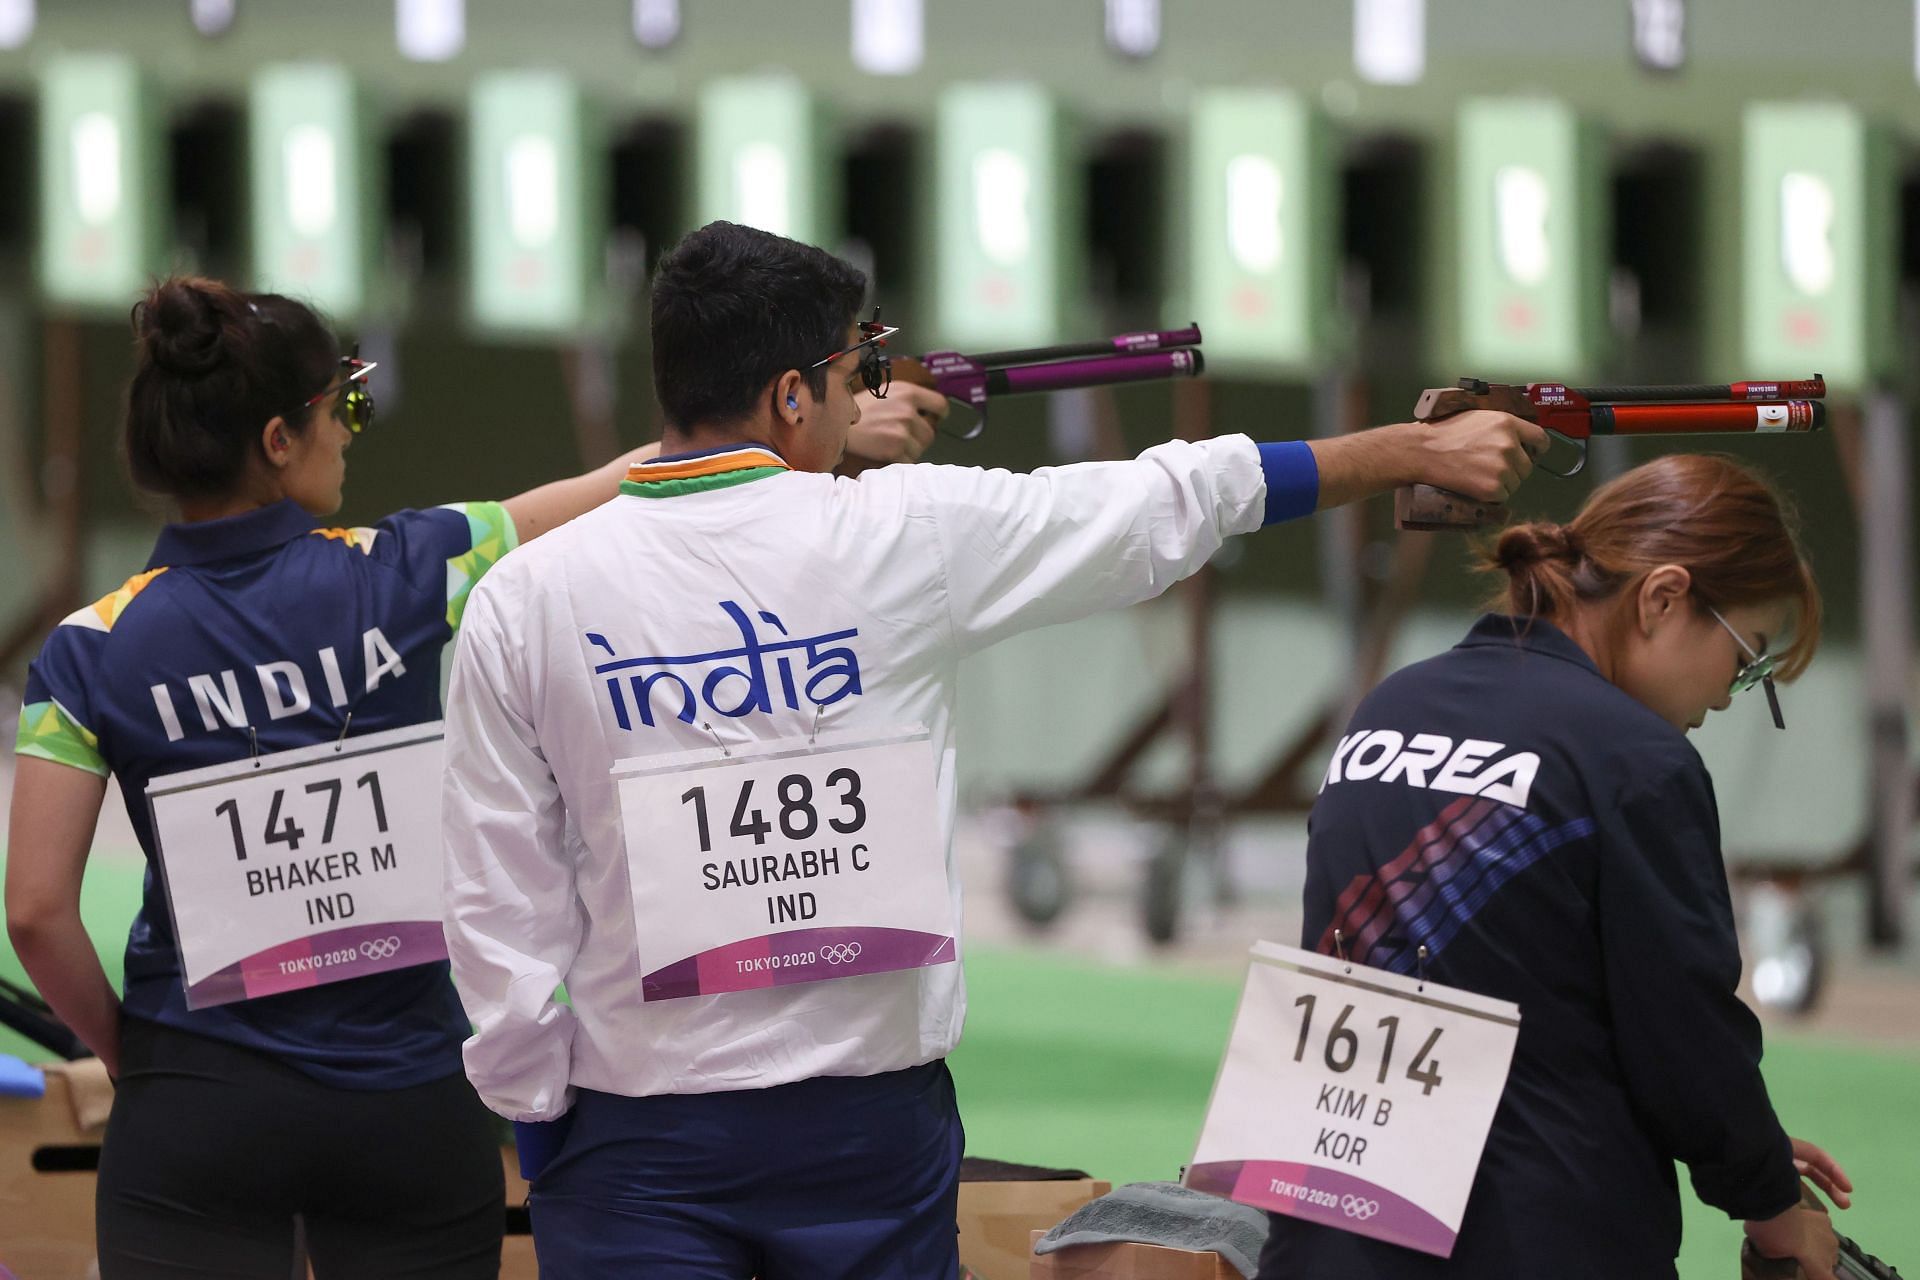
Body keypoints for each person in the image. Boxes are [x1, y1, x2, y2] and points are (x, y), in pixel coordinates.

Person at [438, 219, 1545, 1279]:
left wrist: (538, 1123)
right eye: (851, 368)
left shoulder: (526, 595)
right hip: (864, 1130)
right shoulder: (898, 532)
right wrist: (1410, 449)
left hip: (634, 1139)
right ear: (790, 395)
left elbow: (501, 897)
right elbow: (1169, 500)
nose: (865, 391)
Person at [1, 273, 949, 1278]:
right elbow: (644, 479)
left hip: (196, 1099)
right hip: (405, 1100)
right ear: (280, 441)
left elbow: (35, 910)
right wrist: (811, 434)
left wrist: (136, 1055)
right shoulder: (406, 567)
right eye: (345, 404)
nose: (353, 432)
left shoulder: (86, 648)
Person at [1257, 453, 1852, 1280]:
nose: (1726, 695)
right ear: (1665, 597)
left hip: (1327, 1222)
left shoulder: (1391, 705)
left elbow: (1500, 987)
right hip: (1535, 1236)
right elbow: (1680, 1028)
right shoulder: (1633, 760)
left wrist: (1740, 1139)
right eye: (1746, 656)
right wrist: (1771, 1204)